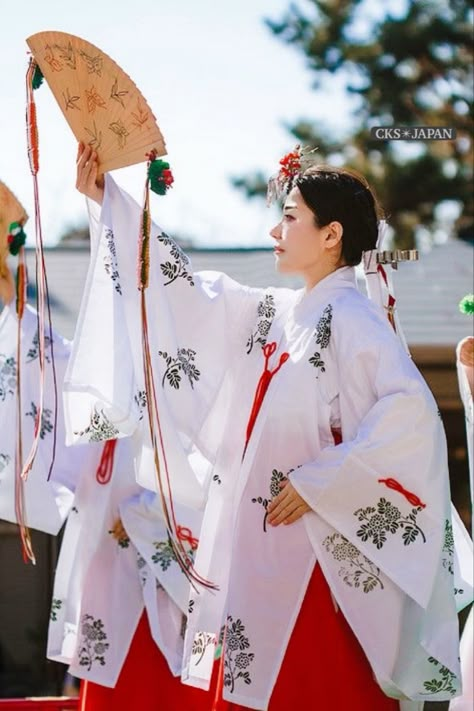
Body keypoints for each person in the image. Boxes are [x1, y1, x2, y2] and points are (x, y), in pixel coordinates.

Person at [67, 142, 470, 710]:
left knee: (312, 685)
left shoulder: (354, 319)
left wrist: (319, 480)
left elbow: (410, 414)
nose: (275, 231)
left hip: (315, 551)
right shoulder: (278, 314)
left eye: (289, 217)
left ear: (332, 235)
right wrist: (113, 201)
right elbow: (186, 293)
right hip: (258, 540)